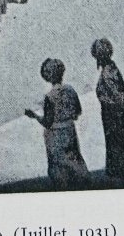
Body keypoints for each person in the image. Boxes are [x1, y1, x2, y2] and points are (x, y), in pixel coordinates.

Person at [25, 58, 91, 187]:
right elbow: (78, 111)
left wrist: (35, 116)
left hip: (55, 135)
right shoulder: (70, 90)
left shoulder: (50, 96)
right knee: (74, 160)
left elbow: (47, 122)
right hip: (70, 130)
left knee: (60, 167)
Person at [91, 37, 124, 181]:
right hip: (115, 115)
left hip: (114, 116)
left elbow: (117, 96)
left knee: (118, 146)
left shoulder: (107, 73)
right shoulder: (111, 68)